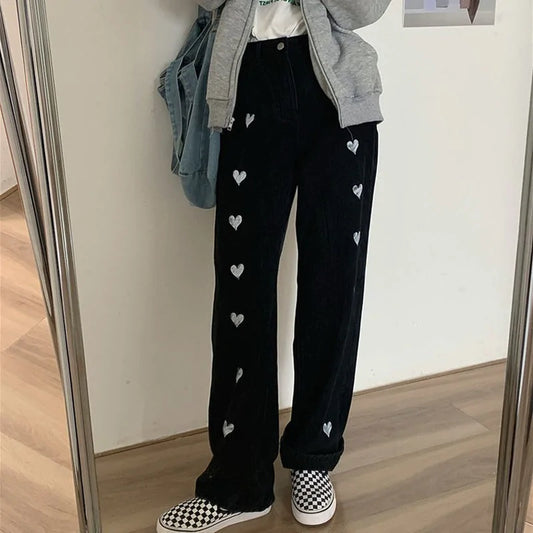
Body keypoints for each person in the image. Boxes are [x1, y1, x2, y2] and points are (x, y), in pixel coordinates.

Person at [157, 0, 392, 531]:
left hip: (337, 99)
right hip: (248, 86)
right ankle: (239, 481)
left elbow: (365, 11)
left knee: (334, 285)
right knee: (242, 294)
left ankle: (314, 456)